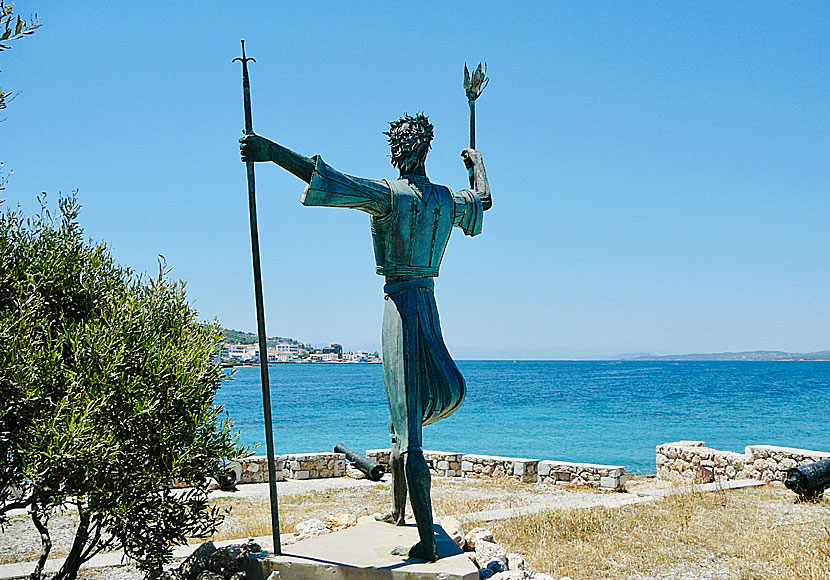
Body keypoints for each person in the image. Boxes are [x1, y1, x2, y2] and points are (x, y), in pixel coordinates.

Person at [239, 113, 491, 561]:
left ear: (410, 149)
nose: (394, 154)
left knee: (408, 428)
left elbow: (328, 179)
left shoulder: (390, 195)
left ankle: (427, 542)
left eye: (398, 147)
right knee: (399, 416)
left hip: (399, 308)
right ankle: (398, 512)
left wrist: (270, 151)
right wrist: (476, 164)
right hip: (428, 307)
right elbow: (484, 202)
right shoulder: (445, 200)